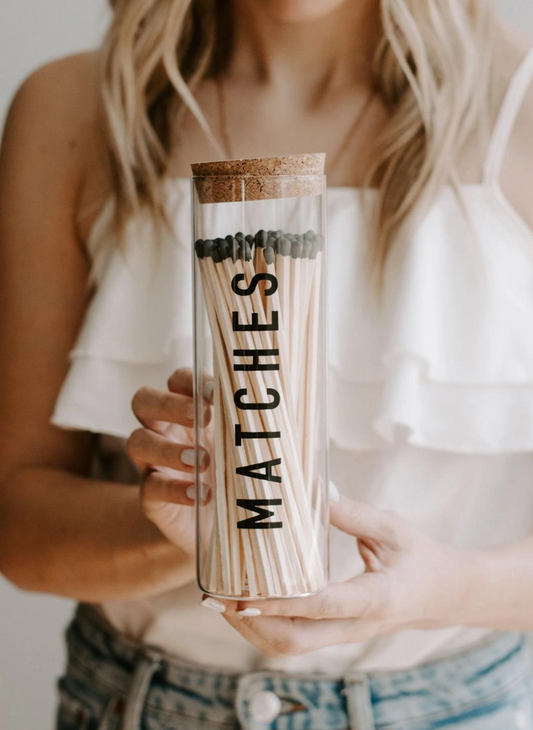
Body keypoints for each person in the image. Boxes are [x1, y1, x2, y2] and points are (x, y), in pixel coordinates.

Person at [1, 0, 533, 728]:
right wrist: (191, 527)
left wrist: (444, 588)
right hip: (136, 705)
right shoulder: (73, 111)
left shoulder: (521, 102)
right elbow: (18, 522)